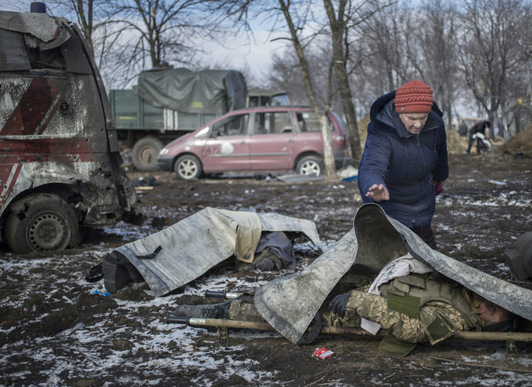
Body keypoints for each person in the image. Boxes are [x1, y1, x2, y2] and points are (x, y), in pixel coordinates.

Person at [174, 264, 512, 357]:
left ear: (489, 323)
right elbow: (412, 297)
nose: (493, 306)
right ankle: (243, 298)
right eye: (497, 302)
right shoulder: (463, 292)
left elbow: (413, 330)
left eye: (497, 313)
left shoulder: (455, 318)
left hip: (357, 311)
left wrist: (360, 302)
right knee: (299, 284)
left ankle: (223, 312)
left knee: (287, 309)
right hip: (370, 289)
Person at [357, 80, 448, 249]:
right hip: (392, 201)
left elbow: (441, 152)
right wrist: (374, 185)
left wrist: (441, 175)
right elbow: (371, 165)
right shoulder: (381, 130)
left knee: (427, 255)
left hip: (422, 198)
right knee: (392, 254)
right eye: (411, 118)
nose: (418, 124)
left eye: (423, 118)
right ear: (399, 112)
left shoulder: (436, 125)